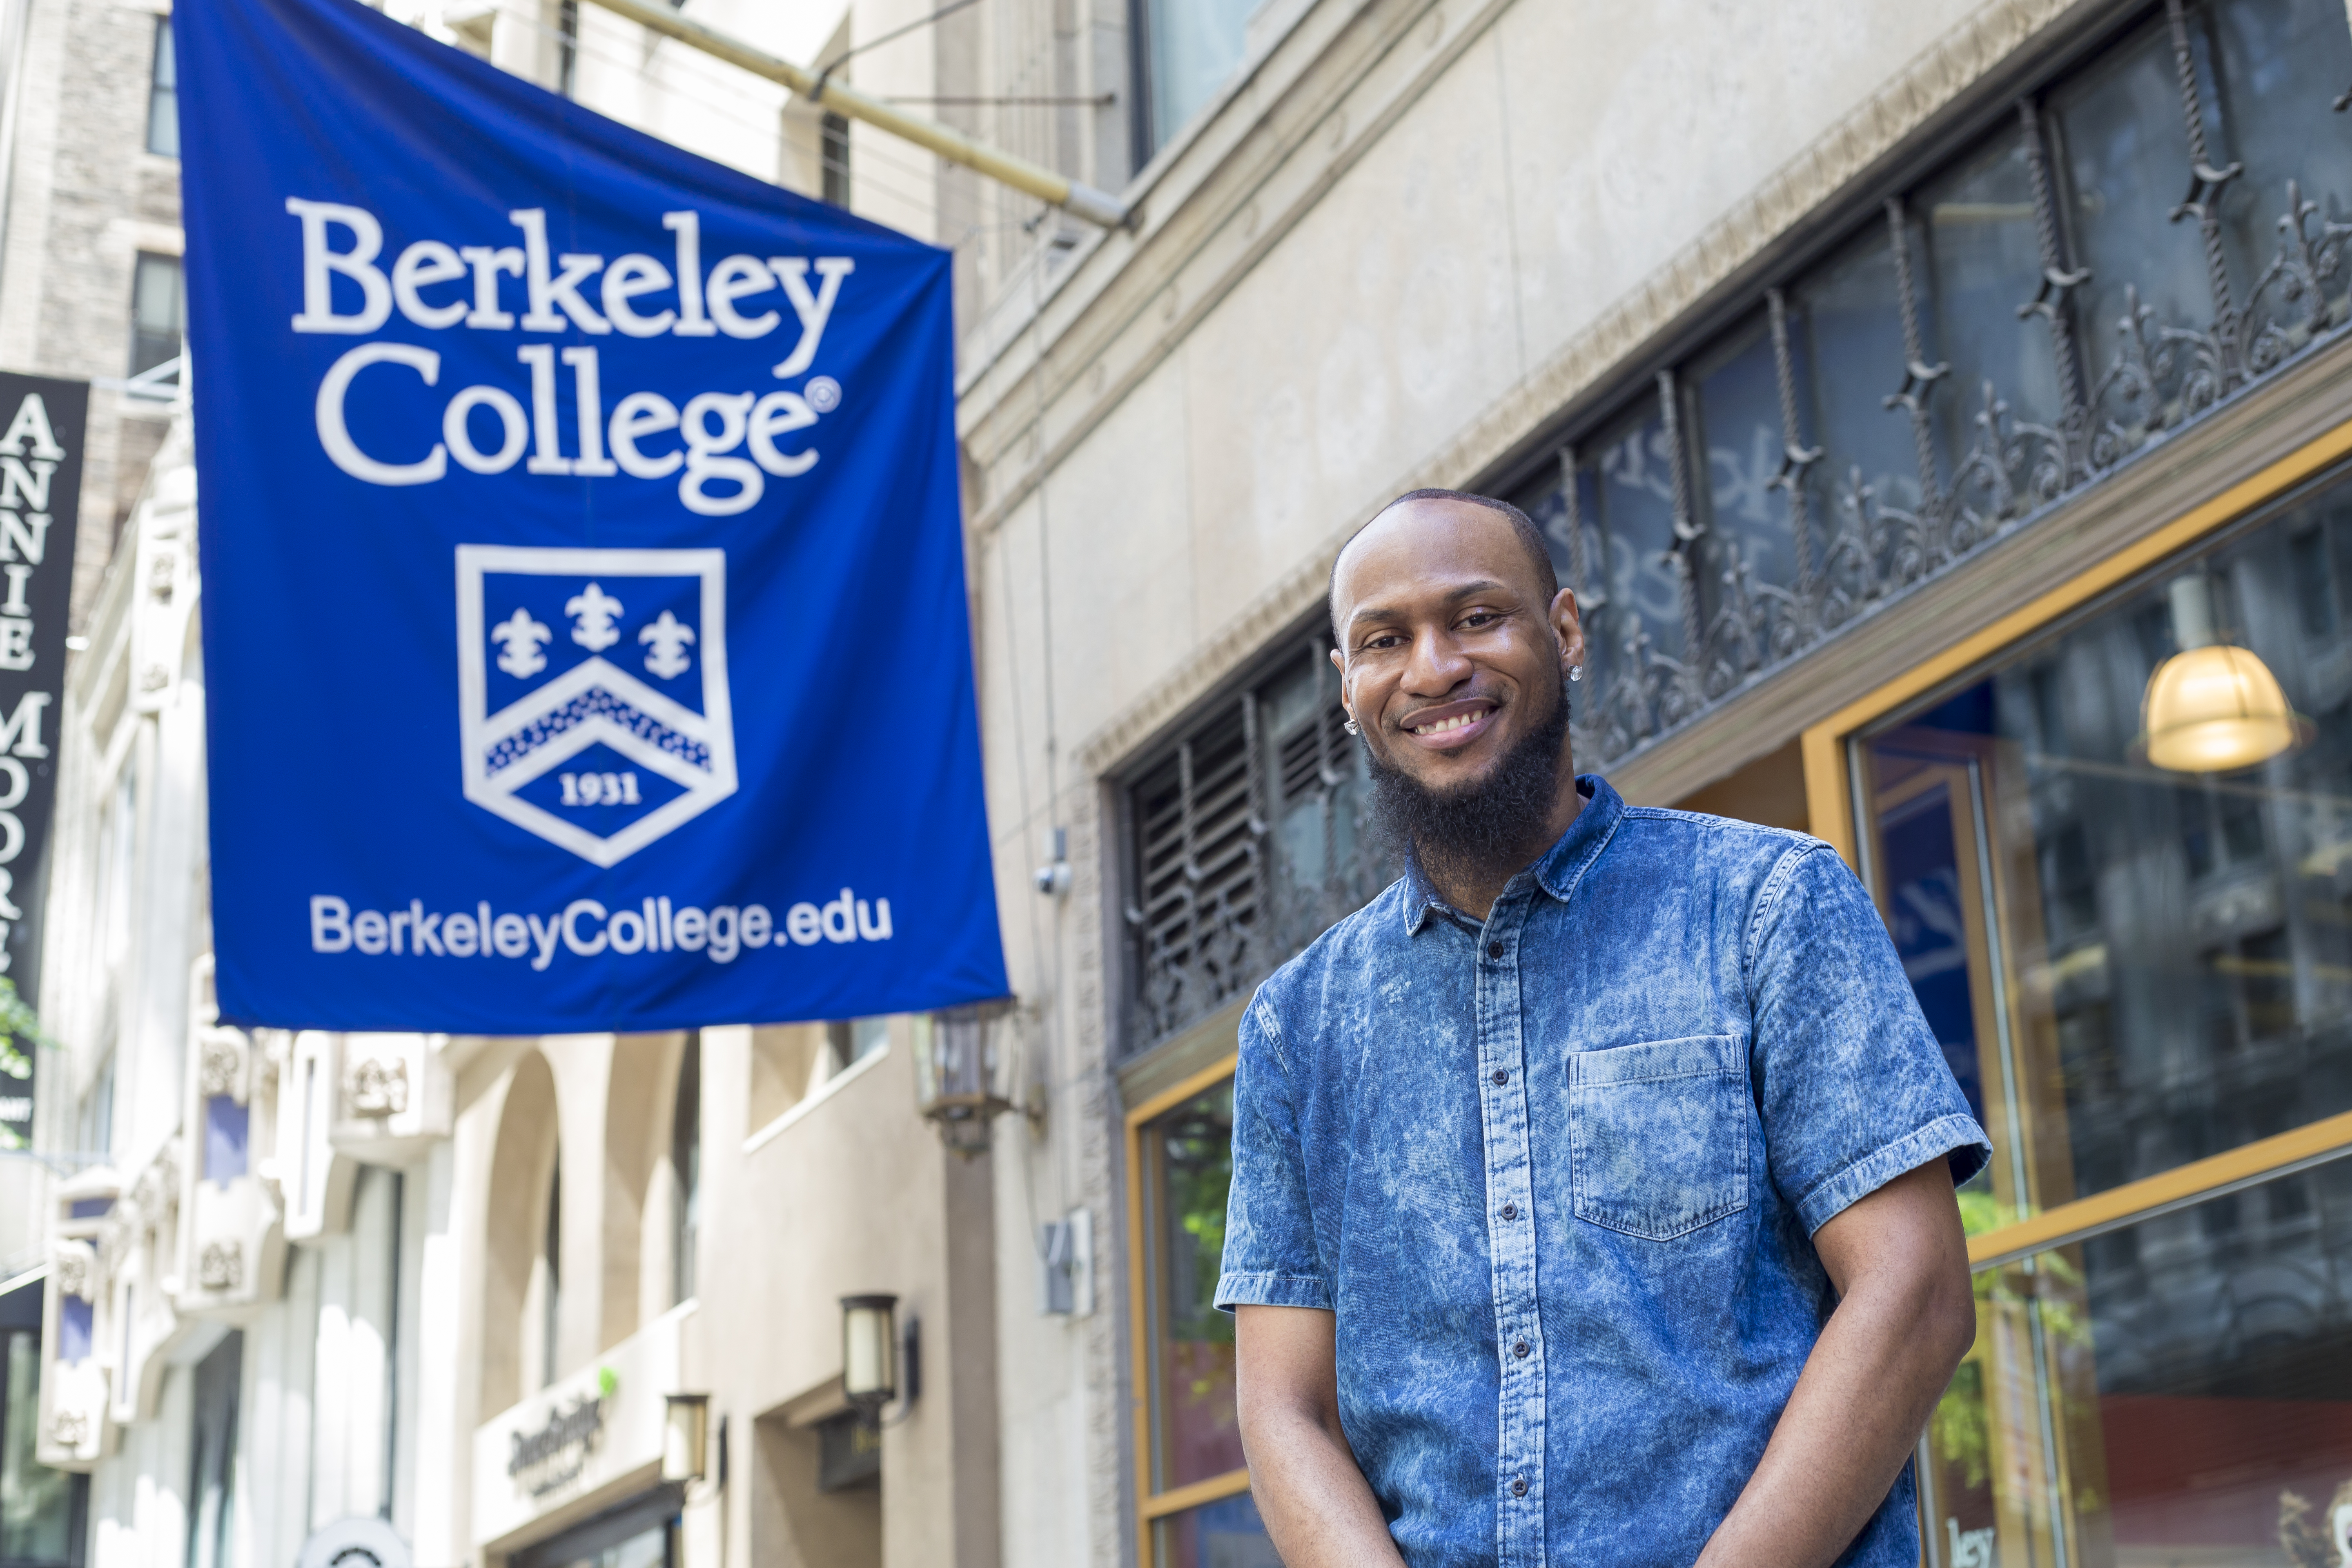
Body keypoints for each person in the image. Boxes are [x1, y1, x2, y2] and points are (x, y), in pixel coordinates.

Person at [1218, 489, 1989, 1567]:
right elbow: (1284, 1409)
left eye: (1477, 617)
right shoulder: (1296, 1030)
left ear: (1565, 631)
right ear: (1350, 690)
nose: (1435, 667)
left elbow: (1914, 1292)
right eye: (1385, 641)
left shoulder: (1765, 903)